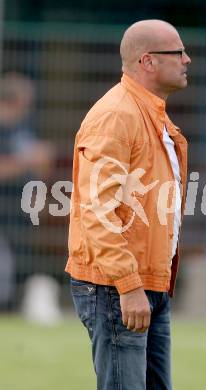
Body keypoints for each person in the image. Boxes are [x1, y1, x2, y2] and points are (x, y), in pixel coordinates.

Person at [65, 20, 191, 390]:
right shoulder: (117, 116)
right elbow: (96, 209)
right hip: (118, 287)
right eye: (178, 52)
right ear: (148, 61)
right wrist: (128, 285)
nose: (187, 59)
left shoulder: (150, 112)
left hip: (146, 282)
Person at [0, 72, 54, 310]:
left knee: (17, 265)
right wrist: (27, 160)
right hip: (4, 209)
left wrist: (39, 161)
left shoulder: (23, 127)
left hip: (19, 211)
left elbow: (41, 169)